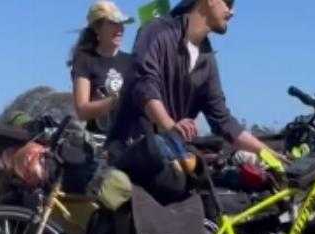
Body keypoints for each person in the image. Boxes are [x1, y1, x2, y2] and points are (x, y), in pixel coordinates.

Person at [130, 0, 270, 156]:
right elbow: (145, 85)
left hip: (170, 158)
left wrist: (267, 153)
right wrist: (170, 126)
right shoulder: (155, 30)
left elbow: (223, 120)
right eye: (228, 3)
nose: (232, 12)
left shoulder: (207, 60)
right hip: (131, 155)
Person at [69, 1, 136, 142]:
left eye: (121, 24)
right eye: (113, 23)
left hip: (130, 142)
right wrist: (115, 101)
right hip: (98, 144)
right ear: (97, 28)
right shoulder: (84, 61)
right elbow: (81, 110)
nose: (120, 29)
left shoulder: (132, 61)